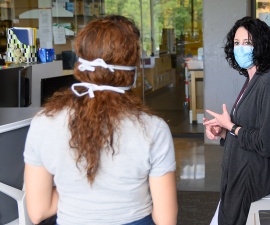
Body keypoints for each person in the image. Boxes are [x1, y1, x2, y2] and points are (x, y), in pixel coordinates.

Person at [23, 15, 177, 225]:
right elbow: (166, 220)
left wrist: (73, 185)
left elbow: (38, 211)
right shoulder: (153, 128)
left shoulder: (43, 123)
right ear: (131, 69)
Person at [203, 16, 270, 225]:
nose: (241, 48)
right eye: (237, 43)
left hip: (249, 181)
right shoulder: (252, 79)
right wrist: (224, 132)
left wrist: (231, 126)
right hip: (236, 177)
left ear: (261, 45)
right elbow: (246, 130)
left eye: (247, 43)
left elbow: (268, 143)